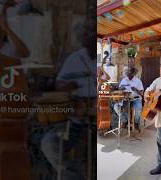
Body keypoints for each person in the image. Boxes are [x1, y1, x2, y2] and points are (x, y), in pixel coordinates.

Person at [41, 21, 95, 180]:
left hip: (96, 116)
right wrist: (65, 85)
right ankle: (72, 176)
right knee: (49, 143)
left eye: (90, 33)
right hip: (76, 119)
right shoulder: (75, 58)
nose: (87, 38)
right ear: (80, 40)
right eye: (83, 36)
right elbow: (59, 83)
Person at [113, 66, 144, 131]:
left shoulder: (138, 81)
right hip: (125, 99)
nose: (127, 73)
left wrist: (136, 89)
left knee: (138, 109)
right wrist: (120, 89)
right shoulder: (124, 80)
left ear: (133, 73)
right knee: (116, 107)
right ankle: (125, 120)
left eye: (129, 71)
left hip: (135, 99)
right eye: (127, 71)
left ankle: (135, 122)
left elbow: (142, 93)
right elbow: (119, 91)